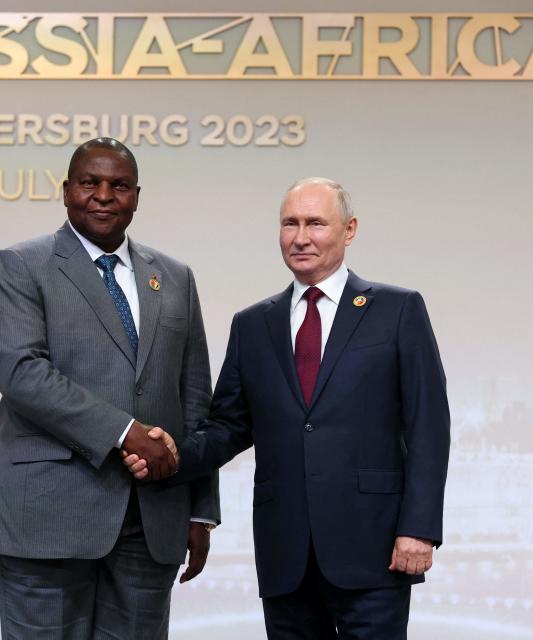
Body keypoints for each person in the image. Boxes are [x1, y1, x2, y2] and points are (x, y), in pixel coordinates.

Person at [126, 177, 450, 639]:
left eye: (316, 223)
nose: (301, 237)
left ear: (349, 229)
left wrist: (419, 529)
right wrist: (171, 455)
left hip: (374, 549)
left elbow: (429, 429)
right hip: (286, 554)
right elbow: (228, 427)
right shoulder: (253, 324)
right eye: (290, 224)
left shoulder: (398, 310)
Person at [0, 137, 220, 639]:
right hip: (45, 515)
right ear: (67, 191)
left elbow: (195, 397)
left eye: (120, 186)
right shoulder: (20, 266)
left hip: (152, 516)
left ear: (137, 196)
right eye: (90, 183)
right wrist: (125, 432)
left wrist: (201, 509)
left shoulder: (175, 278)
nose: (104, 195)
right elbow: (23, 373)